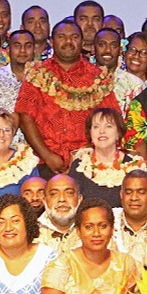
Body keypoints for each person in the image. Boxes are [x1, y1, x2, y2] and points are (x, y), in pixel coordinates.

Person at [16, 19, 117, 176]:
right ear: (51, 41)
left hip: (91, 163)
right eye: (62, 36)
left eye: (74, 37)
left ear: (82, 42)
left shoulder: (99, 78)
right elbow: (25, 117)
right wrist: (47, 155)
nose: (68, 41)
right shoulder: (37, 74)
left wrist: (91, 156)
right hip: (44, 163)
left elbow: (112, 120)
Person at [38, 199, 139, 294]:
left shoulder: (125, 263)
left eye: (102, 226)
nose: (96, 233)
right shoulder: (62, 265)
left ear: (112, 228)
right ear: (78, 231)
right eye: (89, 227)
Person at [68, 107, 145, 208]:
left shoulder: (134, 166)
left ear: (118, 133)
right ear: (90, 134)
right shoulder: (79, 166)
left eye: (108, 126)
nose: (102, 131)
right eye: (96, 127)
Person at [0, 108, 40, 223]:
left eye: (7, 130)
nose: (1, 134)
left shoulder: (25, 162)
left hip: (15, 226)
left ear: (13, 135)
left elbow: (36, 199)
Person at [112, 170, 147, 265]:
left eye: (141, 192)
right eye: (128, 192)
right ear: (121, 195)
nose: (134, 198)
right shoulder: (108, 221)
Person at [96, 28, 144, 115]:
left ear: (120, 50)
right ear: (93, 48)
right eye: (102, 45)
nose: (108, 50)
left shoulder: (135, 84)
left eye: (113, 46)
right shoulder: (83, 81)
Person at [37, 174, 83, 251]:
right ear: (44, 200)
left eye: (69, 193)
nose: (62, 199)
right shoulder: (31, 232)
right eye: (54, 194)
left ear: (79, 199)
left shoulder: (92, 230)